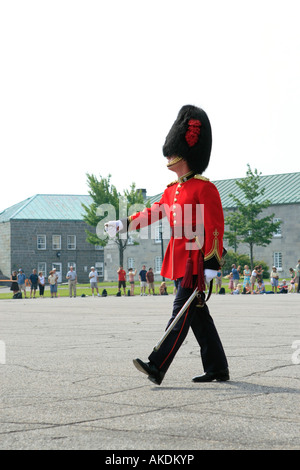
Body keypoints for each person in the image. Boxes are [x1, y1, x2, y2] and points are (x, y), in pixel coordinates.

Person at [105, 104, 229, 385]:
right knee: (197, 316)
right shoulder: (171, 190)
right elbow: (152, 213)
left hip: (196, 262)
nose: (169, 156)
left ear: (186, 155)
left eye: (174, 151)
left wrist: (211, 264)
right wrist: (124, 223)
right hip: (178, 260)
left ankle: (157, 365)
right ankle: (217, 367)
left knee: (180, 312)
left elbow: (214, 228)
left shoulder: (204, 188)